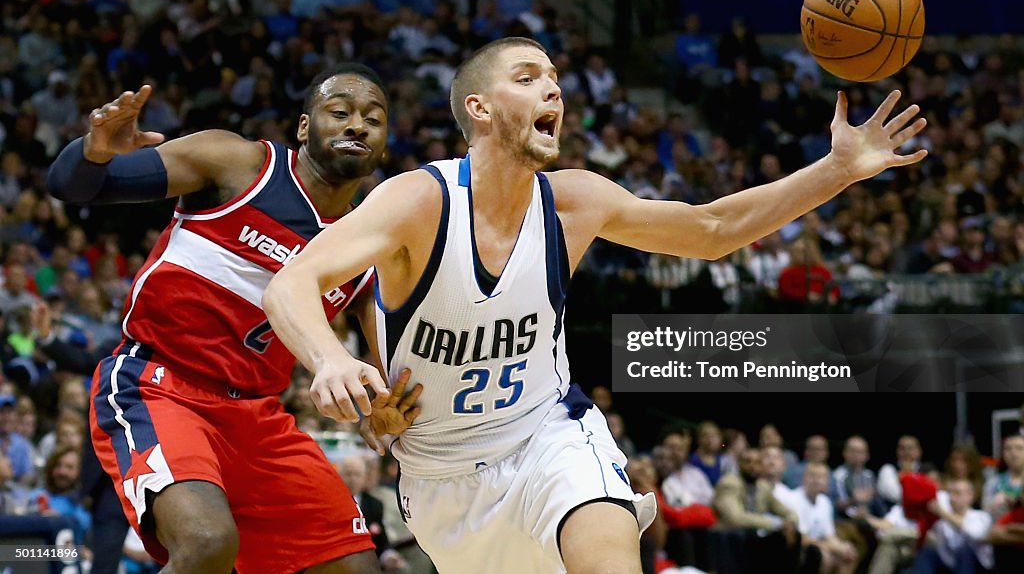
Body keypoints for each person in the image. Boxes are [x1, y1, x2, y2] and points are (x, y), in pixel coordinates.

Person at [263, 36, 928, 573]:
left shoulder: (575, 202)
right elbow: (291, 282)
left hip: (551, 434)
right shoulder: (419, 203)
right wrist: (328, 360)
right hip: (441, 477)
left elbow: (714, 230)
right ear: (479, 108)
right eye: (526, 77)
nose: (552, 87)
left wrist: (837, 169)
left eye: (554, 77)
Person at [45, 64, 421, 574]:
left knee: (354, 567)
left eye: (373, 119)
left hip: (258, 418)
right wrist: (95, 150)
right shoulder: (238, 165)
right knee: (205, 544)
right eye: (341, 112)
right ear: (305, 127)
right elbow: (75, 186)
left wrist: (384, 412)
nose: (357, 125)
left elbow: (393, 371)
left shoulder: (366, 248)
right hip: (159, 385)